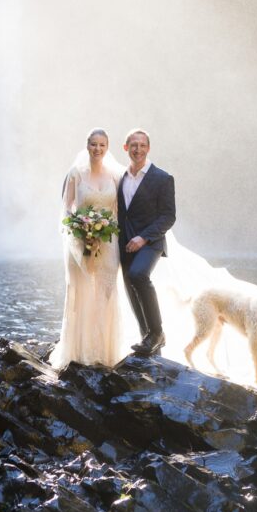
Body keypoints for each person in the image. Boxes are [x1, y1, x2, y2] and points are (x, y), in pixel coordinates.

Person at [49, 129, 129, 370]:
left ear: (107, 147)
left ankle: (105, 352)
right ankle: (79, 351)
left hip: (108, 240)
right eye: (93, 144)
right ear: (87, 146)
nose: (97, 149)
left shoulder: (115, 175)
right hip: (80, 241)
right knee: (81, 292)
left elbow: (120, 210)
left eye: (102, 145)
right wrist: (79, 230)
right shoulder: (75, 174)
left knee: (106, 292)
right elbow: (66, 209)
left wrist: (109, 230)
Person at [118, 128, 176, 356]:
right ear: (126, 148)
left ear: (148, 148)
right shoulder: (120, 177)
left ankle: (158, 332)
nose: (138, 149)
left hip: (151, 241)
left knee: (138, 275)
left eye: (142, 145)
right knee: (131, 290)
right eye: (134, 145)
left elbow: (168, 216)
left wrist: (143, 238)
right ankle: (149, 343)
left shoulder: (162, 178)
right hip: (124, 242)